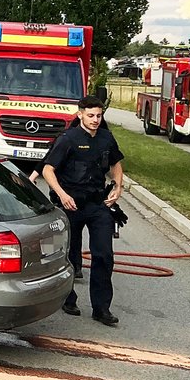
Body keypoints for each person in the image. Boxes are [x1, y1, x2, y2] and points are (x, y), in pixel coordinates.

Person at [41, 95, 125, 326]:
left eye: (99, 115)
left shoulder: (106, 138)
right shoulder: (68, 139)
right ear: (80, 114)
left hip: (98, 205)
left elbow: (116, 163)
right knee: (68, 254)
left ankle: (101, 308)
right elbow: (48, 170)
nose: (95, 120)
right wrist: (62, 194)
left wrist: (118, 186)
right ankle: (68, 299)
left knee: (104, 255)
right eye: (90, 115)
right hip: (71, 205)